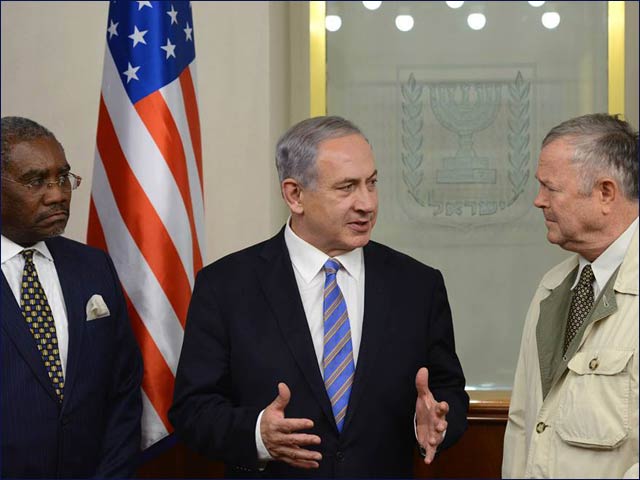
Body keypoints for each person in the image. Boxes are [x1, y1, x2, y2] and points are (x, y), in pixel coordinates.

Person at [169, 115, 468, 477]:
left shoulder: (417, 285)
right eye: (347, 188)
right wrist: (258, 434)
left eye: (371, 184)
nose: (367, 204)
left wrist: (438, 422)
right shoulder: (226, 286)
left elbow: (446, 390)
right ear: (295, 195)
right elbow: (193, 410)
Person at [1, 116, 143, 477]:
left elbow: (123, 388)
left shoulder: (92, 267)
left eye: (63, 177)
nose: (58, 194)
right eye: (36, 181)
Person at [502, 113, 639, 478]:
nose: (539, 201)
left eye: (551, 188)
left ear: (605, 193)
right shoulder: (552, 287)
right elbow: (522, 425)